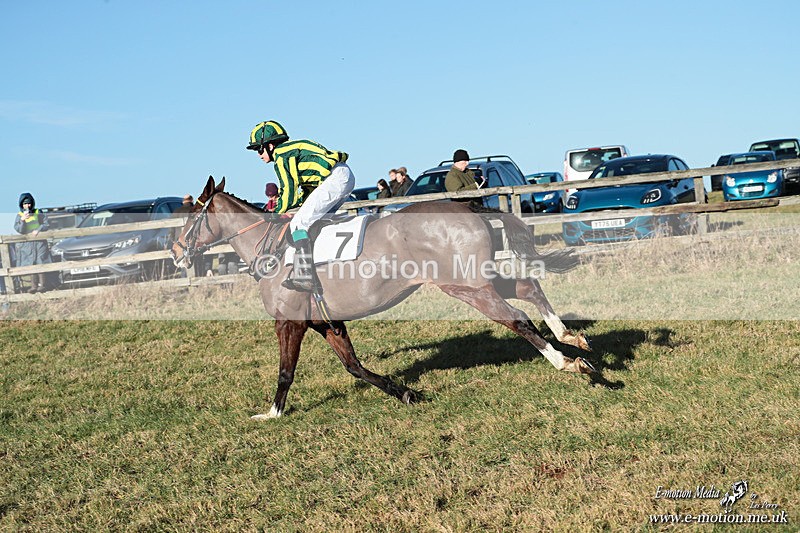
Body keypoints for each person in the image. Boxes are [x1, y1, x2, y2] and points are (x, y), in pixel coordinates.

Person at [247, 120, 355, 292]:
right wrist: (293, 206)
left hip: (335, 179)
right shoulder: (290, 149)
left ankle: (305, 276)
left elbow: (288, 188)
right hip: (342, 176)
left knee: (298, 224)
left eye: (259, 149)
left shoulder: (282, 155)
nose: (258, 154)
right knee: (316, 223)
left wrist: (276, 211)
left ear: (271, 145)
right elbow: (305, 190)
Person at [14, 192, 51, 293]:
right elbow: (19, 229)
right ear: (21, 205)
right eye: (25, 204)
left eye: (29, 203)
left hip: (39, 242)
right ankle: (33, 286)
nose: (27, 206)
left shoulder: (38, 212)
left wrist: (39, 229)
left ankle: (42, 285)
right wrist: (22, 221)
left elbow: (46, 224)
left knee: (41, 261)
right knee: (31, 263)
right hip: (27, 244)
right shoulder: (20, 215)